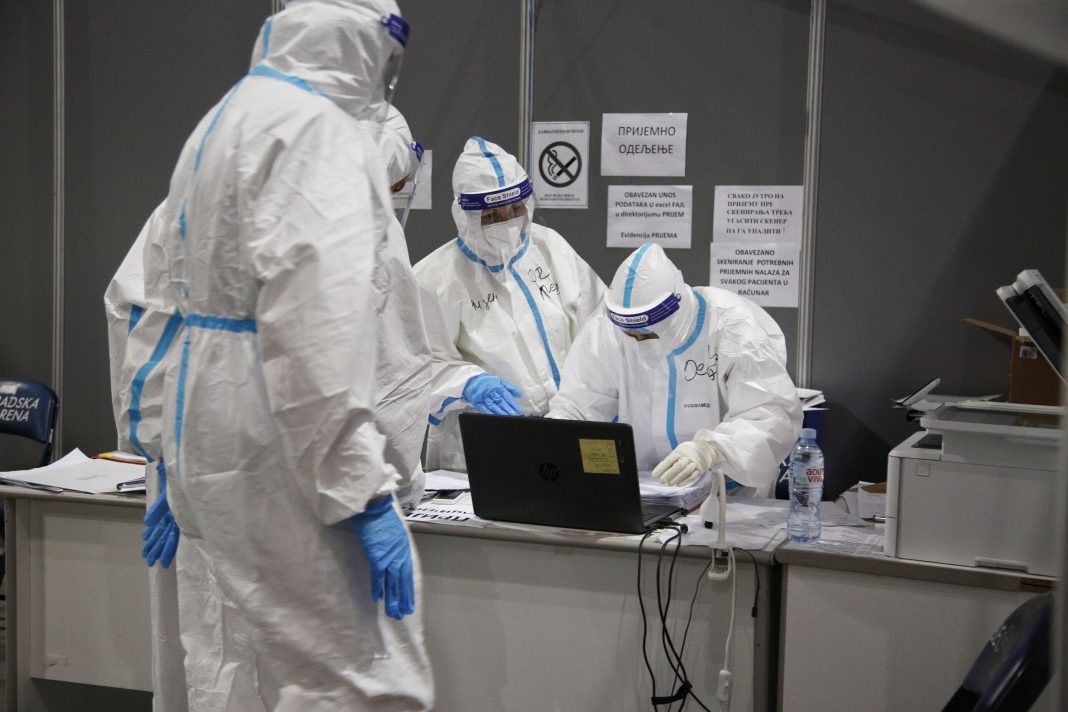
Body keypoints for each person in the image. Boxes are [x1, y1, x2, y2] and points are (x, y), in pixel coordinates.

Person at [111, 1, 434, 709]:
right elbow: (313, 340)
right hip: (278, 437)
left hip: (208, 434)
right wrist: (362, 491)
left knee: (242, 667)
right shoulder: (323, 135)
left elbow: (157, 306)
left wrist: (164, 454)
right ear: (360, 44)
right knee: (362, 679)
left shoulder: (224, 120)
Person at [547, 242, 802, 497]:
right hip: (644, 494)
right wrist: (552, 439)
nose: (638, 342)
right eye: (630, 335)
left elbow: (770, 417)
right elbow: (578, 404)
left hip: (729, 495)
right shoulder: (607, 328)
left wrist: (710, 450)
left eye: (647, 334)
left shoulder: (733, 326)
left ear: (675, 312)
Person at [414, 136, 605, 471]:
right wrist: (468, 383)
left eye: (515, 210)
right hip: (485, 440)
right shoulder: (434, 278)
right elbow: (415, 365)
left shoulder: (550, 247)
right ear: (465, 215)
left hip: (570, 425)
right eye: (491, 215)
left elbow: (600, 325)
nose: (507, 223)